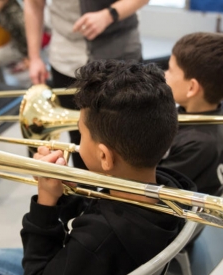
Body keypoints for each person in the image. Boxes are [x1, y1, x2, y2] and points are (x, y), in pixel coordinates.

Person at [0, 60, 195, 275]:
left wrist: (45, 205)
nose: (77, 141)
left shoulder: (99, 239)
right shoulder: (168, 188)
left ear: (103, 156)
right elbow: (102, 207)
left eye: (81, 132)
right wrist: (65, 191)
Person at [24, 0, 149, 169]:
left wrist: (109, 15)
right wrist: (34, 57)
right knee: (80, 138)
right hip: (66, 59)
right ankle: (86, 194)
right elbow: (33, 4)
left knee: (128, 137)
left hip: (120, 53)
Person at [161, 32, 223, 196]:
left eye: (170, 70)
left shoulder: (199, 144)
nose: (164, 74)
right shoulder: (195, 115)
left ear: (192, 88)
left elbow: (152, 192)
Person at [0, 0, 28, 83]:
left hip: (21, 48)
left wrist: (29, 57)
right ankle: (1, 87)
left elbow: (26, 34)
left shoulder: (14, 12)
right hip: (13, 44)